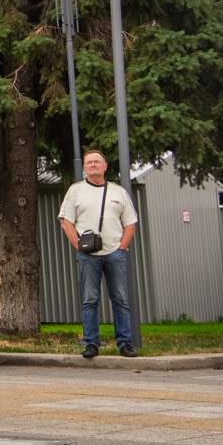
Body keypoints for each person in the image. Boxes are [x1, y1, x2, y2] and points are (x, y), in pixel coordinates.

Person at [58, 150, 139, 359]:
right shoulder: (76, 191)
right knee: (90, 299)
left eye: (97, 162)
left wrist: (122, 247)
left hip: (115, 253)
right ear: (84, 167)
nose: (93, 165)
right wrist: (78, 244)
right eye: (89, 162)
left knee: (120, 298)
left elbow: (130, 223)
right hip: (88, 255)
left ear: (105, 166)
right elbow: (66, 221)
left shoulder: (118, 192)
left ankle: (125, 343)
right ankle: (91, 343)